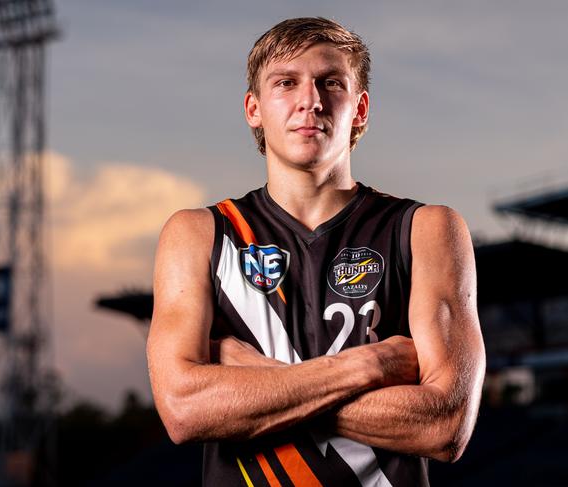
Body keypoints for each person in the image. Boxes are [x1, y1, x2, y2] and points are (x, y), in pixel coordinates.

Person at [147, 17, 485, 487]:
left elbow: (446, 424)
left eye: (331, 83)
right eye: (286, 83)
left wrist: (256, 378)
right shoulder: (199, 234)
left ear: (361, 107)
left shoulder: (426, 230)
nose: (311, 100)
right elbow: (184, 410)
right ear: (254, 109)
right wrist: (371, 365)